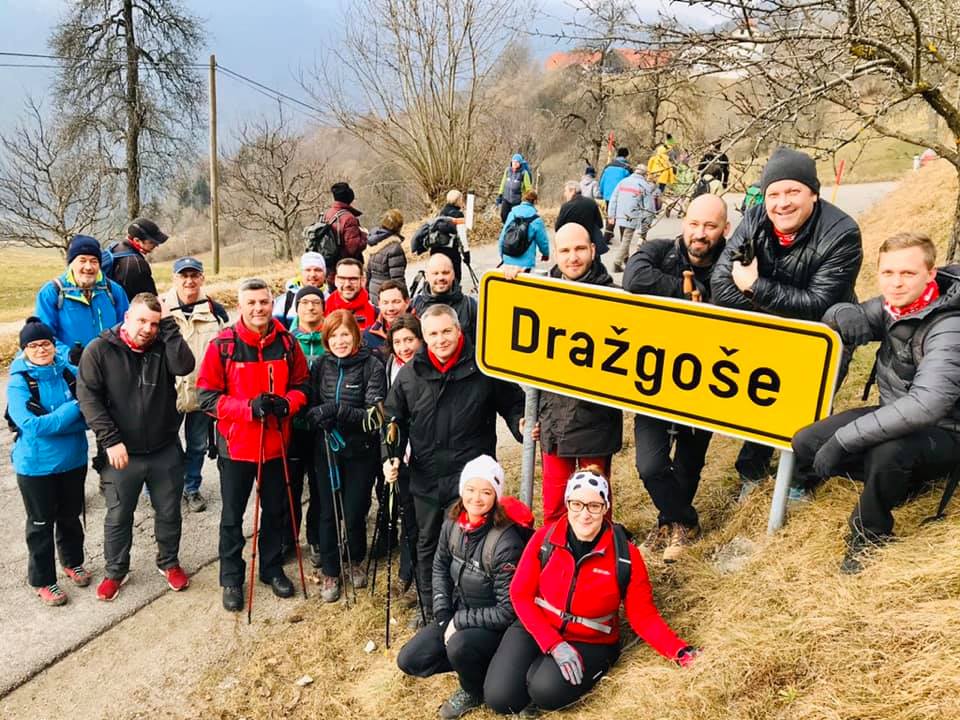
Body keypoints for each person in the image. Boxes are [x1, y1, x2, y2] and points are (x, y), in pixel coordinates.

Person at [794, 233, 960, 574]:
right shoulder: (893, 305)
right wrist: (841, 313)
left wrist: (844, 441)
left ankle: (869, 535)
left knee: (887, 453)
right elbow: (848, 317)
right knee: (806, 441)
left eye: (908, 273)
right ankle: (901, 480)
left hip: (946, 430)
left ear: (930, 274)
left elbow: (927, 405)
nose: (896, 283)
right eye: (888, 273)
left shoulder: (950, 326)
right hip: (894, 413)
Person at [711, 146, 863, 500]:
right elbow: (720, 286)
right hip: (774, 332)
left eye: (793, 191)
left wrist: (754, 287)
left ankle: (799, 480)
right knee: (763, 398)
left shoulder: (842, 233)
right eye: (773, 194)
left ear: (813, 194)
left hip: (826, 337)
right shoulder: (755, 220)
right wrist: (776, 306)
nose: (782, 203)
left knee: (808, 411)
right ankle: (751, 472)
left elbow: (818, 305)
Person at [484, 469, 697, 715]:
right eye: (577, 504)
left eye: (594, 506)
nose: (584, 514)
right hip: (538, 625)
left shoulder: (625, 556)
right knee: (500, 698)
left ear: (606, 508)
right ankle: (534, 671)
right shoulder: (545, 539)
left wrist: (678, 650)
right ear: (567, 504)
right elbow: (520, 594)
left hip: (590, 639)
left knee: (545, 690)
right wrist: (553, 644)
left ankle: (544, 678)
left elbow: (643, 616)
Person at [383, 304, 524, 624]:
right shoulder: (409, 375)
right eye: (433, 334)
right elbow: (393, 420)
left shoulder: (483, 366)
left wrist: (521, 424)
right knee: (429, 544)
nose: (441, 339)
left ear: (459, 331)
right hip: (427, 478)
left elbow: (513, 402)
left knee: (475, 544)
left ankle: (477, 608)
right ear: (424, 337)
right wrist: (390, 454)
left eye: (447, 331)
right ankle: (433, 611)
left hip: (471, 479)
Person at [623, 195, 730, 561]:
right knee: (650, 465)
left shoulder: (733, 263)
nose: (700, 233)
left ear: (724, 229)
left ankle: (670, 527)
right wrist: (687, 292)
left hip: (707, 380)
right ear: (684, 223)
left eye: (710, 226)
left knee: (688, 463)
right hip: (655, 377)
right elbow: (633, 277)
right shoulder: (660, 251)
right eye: (694, 224)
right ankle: (684, 519)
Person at [196, 278, 310, 611]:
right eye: (251, 303)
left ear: (272, 303)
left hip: (276, 444)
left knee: (275, 511)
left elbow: (303, 385)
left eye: (263, 302)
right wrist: (248, 409)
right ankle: (232, 578)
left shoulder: (287, 343)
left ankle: (271, 569)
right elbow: (207, 397)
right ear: (240, 306)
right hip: (236, 447)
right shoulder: (223, 345)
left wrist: (288, 404)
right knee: (232, 517)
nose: (258, 308)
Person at [76, 292, 195, 602]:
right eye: (142, 321)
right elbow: (88, 399)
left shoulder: (162, 344)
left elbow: (184, 365)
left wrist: (169, 326)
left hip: (164, 448)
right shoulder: (99, 350)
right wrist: (110, 440)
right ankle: (116, 571)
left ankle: (169, 562)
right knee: (118, 515)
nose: (147, 329)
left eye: (154, 323)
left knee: (169, 511)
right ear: (127, 317)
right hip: (121, 453)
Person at [397, 456, 532, 720]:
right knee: (410, 659)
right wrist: (442, 612)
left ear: (496, 496)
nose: (476, 498)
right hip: (458, 612)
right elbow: (439, 566)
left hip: (494, 627)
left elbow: (508, 611)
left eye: (486, 492)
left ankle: (472, 689)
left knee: (458, 646)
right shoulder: (453, 521)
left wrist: (459, 622)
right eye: (470, 489)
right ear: (462, 489)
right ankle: (477, 666)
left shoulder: (505, 542)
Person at [506, 223, 623, 523]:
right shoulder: (541, 291)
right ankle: (556, 553)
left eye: (580, 249)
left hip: (595, 424)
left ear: (593, 250)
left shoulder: (615, 298)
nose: (573, 257)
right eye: (565, 250)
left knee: (595, 506)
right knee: (555, 510)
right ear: (555, 254)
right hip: (553, 423)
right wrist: (513, 283)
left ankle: (599, 552)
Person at [305, 310, 387, 602]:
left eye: (345, 334)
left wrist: (337, 411)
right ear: (326, 339)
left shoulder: (372, 365)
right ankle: (330, 570)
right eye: (334, 335)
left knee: (354, 510)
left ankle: (354, 559)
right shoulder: (320, 365)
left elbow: (373, 416)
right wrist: (318, 417)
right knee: (328, 511)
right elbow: (311, 404)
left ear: (356, 336)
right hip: (326, 448)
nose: (340, 341)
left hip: (360, 450)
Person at [8, 318, 89, 606]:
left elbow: (91, 415)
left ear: (54, 345)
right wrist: (73, 409)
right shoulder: (19, 383)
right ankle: (42, 579)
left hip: (73, 460)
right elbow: (31, 426)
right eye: (33, 345)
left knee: (70, 516)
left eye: (46, 343)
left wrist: (56, 422)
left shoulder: (70, 372)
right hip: (36, 467)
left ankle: (72, 562)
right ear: (24, 349)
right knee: (40, 524)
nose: (41, 350)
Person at [161, 257, 228, 514]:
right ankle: (165, 488)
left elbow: (225, 352)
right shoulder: (161, 308)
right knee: (165, 444)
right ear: (174, 278)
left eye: (194, 275)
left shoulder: (215, 311)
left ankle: (191, 487)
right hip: (168, 393)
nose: (189, 281)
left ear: (202, 278)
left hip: (203, 392)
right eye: (183, 276)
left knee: (198, 445)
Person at [383, 314, 425, 604]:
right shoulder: (390, 367)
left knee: (424, 524)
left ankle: (421, 579)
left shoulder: (425, 369)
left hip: (425, 455)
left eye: (409, 339)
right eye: (397, 341)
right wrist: (390, 454)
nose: (404, 347)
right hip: (402, 456)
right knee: (407, 516)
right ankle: (406, 572)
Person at [35, 235, 129, 363]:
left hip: (109, 365)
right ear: (71, 263)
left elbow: (126, 327)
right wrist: (68, 355)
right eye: (82, 260)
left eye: (94, 261)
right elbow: (43, 336)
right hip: (71, 368)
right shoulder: (52, 292)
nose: (88, 267)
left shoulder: (113, 290)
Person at [285, 285, 326, 563]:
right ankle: (288, 538)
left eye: (316, 302)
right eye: (305, 302)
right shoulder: (287, 341)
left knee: (320, 486)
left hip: (322, 426)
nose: (311, 307)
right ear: (297, 308)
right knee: (291, 486)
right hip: (292, 426)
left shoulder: (332, 338)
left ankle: (316, 538)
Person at [410, 254, 478, 345]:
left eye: (445, 273)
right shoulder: (415, 306)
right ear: (426, 276)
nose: (441, 278)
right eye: (435, 273)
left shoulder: (469, 306)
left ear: (453, 274)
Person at [607, 163, 658, 273]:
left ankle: (626, 260)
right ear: (645, 174)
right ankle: (617, 263)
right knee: (626, 239)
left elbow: (613, 199)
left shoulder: (623, 182)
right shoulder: (644, 186)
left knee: (624, 239)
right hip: (633, 216)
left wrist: (611, 215)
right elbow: (649, 207)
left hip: (620, 215)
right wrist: (647, 223)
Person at [108, 217, 168, 299]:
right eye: (151, 242)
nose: (156, 245)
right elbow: (151, 300)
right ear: (136, 240)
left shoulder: (115, 247)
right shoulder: (138, 265)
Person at [322, 182, 368, 290]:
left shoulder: (327, 214)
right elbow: (352, 249)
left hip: (330, 269)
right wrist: (364, 236)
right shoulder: (349, 218)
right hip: (346, 270)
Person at [497, 189, 550, 272]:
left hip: (508, 260)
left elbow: (503, 236)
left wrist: (502, 255)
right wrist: (545, 254)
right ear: (535, 201)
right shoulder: (536, 219)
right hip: (525, 264)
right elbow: (543, 241)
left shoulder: (512, 214)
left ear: (522, 199)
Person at [273, 252, 327, 329]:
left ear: (324, 273)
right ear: (301, 273)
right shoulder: (285, 301)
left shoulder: (333, 299)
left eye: (318, 270)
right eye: (308, 270)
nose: (313, 274)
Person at [366, 208, 408, 305]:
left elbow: (368, 272)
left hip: (374, 292)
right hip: (388, 294)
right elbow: (398, 279)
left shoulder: (374, 242)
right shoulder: (394, 248)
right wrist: (405, 299)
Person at [325, 258, 377, 331]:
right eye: (342, 278)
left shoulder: (377, 315)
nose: (347, 284)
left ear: (362, 280)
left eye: (353, 279)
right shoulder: (323, 311)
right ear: (336, 280)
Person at [363, 280, 411, 358]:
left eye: (396, 302)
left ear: (407, 302)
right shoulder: (368, 336)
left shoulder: (421, 330)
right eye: (385, 303)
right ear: (379, 304)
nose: (390, 308)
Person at [555, 180, 606, 253]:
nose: (564, 194)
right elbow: (600, 224)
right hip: (591, 245)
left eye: (566, 191)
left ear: (573, 190)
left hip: (573, 245)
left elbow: (558, 228)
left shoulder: (566, 207)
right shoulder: (591, 203)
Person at [497, 154, 533, 224]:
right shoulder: (507, 170)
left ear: (520, 163)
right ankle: (506, 227)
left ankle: (513, 229)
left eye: (517, 162)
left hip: (517, 201)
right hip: (506, 198)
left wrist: (529, 199)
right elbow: (503, 183)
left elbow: (528, 188)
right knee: (503, 215)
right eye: (513, 162)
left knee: (515, 217)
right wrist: (500, 194)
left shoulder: (524, 173)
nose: (514, 163)